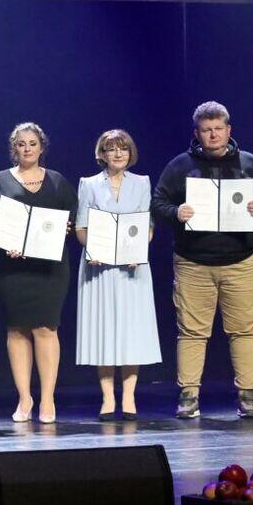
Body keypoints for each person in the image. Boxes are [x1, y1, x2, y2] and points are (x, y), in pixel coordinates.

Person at [152, 102, 253, 419]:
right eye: (207, 130)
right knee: (192, 332)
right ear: (197, 133)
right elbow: (158, 203)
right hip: (193, 262)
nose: (213, 135)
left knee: (244, 331)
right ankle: (189, 396)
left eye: (218, 128)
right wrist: (176, 212)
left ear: (229, 130)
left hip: (241, 260)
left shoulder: (250, 163)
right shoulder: (180, 166)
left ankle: (248, 395)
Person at [0, 122, 77, 424]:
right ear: (14, 148)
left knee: (46, 329)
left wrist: (67, 227)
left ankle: (47, 398)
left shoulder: (57, 181)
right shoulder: (0, 180)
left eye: (32, 143)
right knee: (17, 330)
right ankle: (25, 397)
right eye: (21, 144)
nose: (27, 149)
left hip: (49, 270)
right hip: (12, 269)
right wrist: (5, 243)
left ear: (41, 147)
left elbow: (74, 217)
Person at [74, 129, 162, 419]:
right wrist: (93, 249)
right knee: (104, 331)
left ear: (130, 152)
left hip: (132, 268)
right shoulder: (89, 184)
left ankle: (129, 397)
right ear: (102, 154)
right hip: (98, 267)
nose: (118, 153)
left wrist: (136, 252)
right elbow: (81, 227)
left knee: (130, 331)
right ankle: (108, 397)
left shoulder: (142, 182)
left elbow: (146, 226)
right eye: (111, 149)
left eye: (123, 148)